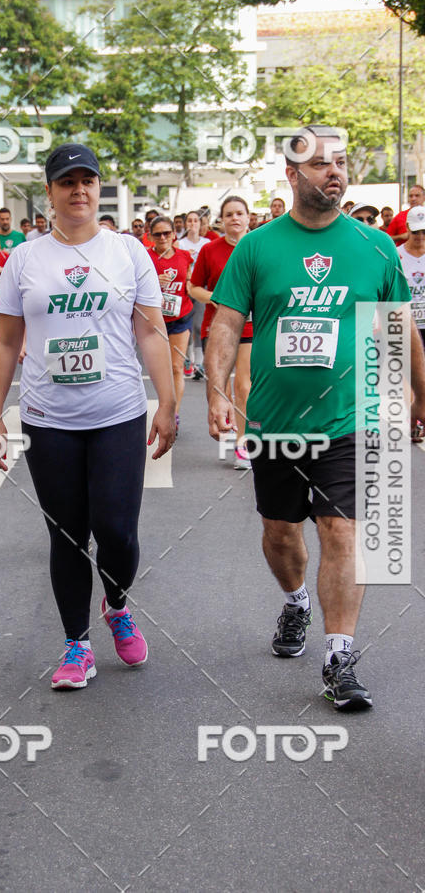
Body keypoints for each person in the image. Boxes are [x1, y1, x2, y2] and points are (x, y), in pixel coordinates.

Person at [205, 125, 425, 711]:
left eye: (342, 163)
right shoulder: (257, 247)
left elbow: (398, 329)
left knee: (341, 530)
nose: (336, 173)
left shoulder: (375, 247)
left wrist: (419, 398)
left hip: (349, 419)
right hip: (276, 423)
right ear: (292, 175)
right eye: (322, 164)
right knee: (281, 535)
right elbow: (226, 323)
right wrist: (218, 393)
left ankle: (340, 657)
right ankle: (297, 601)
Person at [0, 142, 175, 690]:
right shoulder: (25, 258)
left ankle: (115, 603)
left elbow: (150, 330)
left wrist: (166, 402)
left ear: (99, 187)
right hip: (48, 419)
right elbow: (5, 342)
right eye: (66, 182)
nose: (78, 190)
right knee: (67, 535)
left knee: (115, 530)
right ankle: (76, 643)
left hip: (116, 411)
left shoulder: (129, 253)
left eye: (87, 180)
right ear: (49, 193)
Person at [190, 196, 252, 467]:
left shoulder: (258, 246)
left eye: (239, 213)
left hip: (252, 325)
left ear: (248, 217)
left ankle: (243, 444)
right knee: (221, 387)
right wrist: (216, 297)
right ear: (221, 220)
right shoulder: (209, 250)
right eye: (229, 214)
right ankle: (227, 426)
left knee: (245, 384)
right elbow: (193, 287)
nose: (235, 218)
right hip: (217, 328)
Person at [147, 215, 194, 433]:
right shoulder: (146, 258)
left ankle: (174, 413)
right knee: (159, 368)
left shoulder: (185, 256)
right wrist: (154, 283)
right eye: (158, 234)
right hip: (155, 320)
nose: (163, 237)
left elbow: (191, 284)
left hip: (180, 317)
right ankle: (163, 405)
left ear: (174, 234)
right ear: (150, 237)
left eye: (167, 233)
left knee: (176, 367)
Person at [178, 211, 211, 379]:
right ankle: (187, 359)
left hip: (200, 288)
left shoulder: (207, 243)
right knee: (187, 327)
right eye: (189, 220)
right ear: (185, 224)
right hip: (185, 289)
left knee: (199, 326)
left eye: (196, 220)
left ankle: (199, 362)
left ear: (201, 223)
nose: (192, 223)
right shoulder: (180, 244)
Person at [398, 205, 425, 348]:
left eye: (424, 232)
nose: (420, 236)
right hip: (405, 323)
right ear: (408, 227)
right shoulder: (396, 255)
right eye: (416, 231)